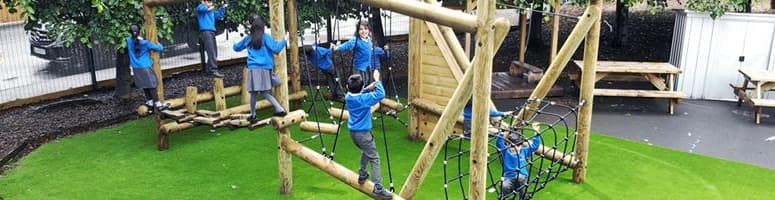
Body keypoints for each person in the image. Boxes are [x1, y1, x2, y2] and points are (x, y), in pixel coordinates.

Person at [345, 70, 393, 199]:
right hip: (363, 134)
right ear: (361, 87)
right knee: (375, 158)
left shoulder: (348, 97)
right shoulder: (364, 99)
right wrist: (377, 80)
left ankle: (363, 174)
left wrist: (367, 88)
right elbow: (381, 94)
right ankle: (378, 188)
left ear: (347, 87)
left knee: (366, 151)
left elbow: (359, 93)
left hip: (353, 133)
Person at [233, 15, 288, 122]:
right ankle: (280, 109)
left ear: (252, 26)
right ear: (262, 26)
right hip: (266, 68)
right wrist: (284, 41)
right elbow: (276, 49)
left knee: (254, 93)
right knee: (265, 91)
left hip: (254, 69)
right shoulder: (266, 37)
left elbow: (236, 48)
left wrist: (235, 43)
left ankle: (253, 115)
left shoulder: (248, 39)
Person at [127, 24, 170, 113]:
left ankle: (150, 104)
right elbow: (160, 48)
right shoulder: (145, 43)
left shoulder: (128, 41)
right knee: (152, 85)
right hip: (145, 67)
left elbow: (134, 40)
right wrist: (158, 43)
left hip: (136, 67)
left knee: (144, 85)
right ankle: (158, 105)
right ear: (140, 32)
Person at [334, 19, 388, 84]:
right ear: (357, 31)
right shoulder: (356, 40)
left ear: (369, 30)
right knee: (360, 84)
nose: (363, 31)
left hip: (368, 66)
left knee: (368, 82)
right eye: (361, 29)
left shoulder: (368, 39)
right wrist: (338, 47)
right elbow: (348, 45)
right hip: (359, 68)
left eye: (365, 29)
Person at [497, 123, 542, 200]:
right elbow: (499, 143)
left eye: (518, 146)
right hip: (509, 177)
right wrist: (501, 132)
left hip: (522, 176)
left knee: (521, 179)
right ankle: (506, 195)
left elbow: (535, 146)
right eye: (512, 146)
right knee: (504, 186)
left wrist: (536, 133)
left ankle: (523, 197)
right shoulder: (506, 152)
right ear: (508, 144)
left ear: (521, 145)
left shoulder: (524, 151)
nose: (515, 148)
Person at [197, 0, 228, 77]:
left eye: (211, 1)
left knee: (214, 52)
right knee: (211, 52)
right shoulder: (201, 7)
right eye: (208, 1)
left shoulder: (211, 10)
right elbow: (201, 8)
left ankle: (209, 70)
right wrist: (209, 7)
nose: (210, 2)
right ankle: (213, 70)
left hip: (212, 32)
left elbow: (219, 15)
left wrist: (224, 7)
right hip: (205, 32)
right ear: (203, 1)